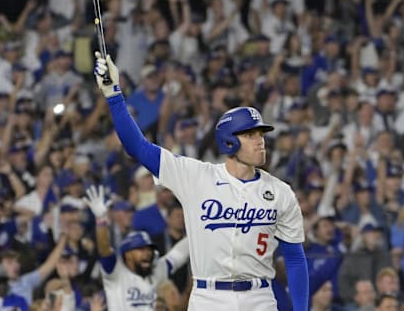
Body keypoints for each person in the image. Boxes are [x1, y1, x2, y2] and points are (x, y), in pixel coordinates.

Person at [92, 52, 309, 310]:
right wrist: (114, 96)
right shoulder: (196, 176)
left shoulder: (281, 192)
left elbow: (295, 259)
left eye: (261, 133)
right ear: (229, 141)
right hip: (209, 297)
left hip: (259, 296)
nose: (260, 140)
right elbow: (137, 146)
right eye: (250, 134)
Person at [84, 185, 189, 310]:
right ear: (127, 254)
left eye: (149, 249)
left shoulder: (156, 269)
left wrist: (199, 229)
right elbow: (104, 249)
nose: (147, 253)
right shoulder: (116, 272)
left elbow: (179, 254)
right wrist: (101, 220)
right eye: (141, 249)